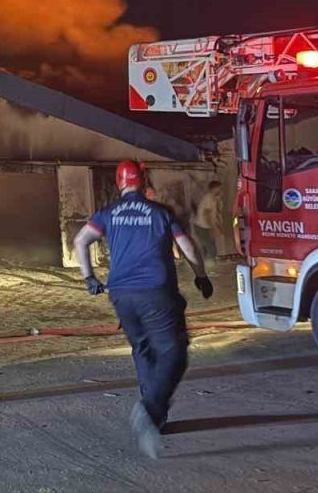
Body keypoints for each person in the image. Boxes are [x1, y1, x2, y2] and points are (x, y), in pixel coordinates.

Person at [73, 160, 213, 458]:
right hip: (156, 293)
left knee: (143, 349)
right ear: (143, 181)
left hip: (122, 295)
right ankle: (149, 411)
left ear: (119, 183)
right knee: (174, 353)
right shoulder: (160, 213)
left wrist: (89, 277)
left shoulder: (108, 213)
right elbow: (187, 246)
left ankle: (155, 415)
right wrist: (201, 275)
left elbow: (80, 241)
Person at [192, 180, 226, 269]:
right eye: (219, 188)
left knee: (208, 246)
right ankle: (210, 267)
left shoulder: (214, 198)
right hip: (203, 226)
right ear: (214, 188)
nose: (221, 190)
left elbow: (214, 215)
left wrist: (217, 226)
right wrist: (212, 227)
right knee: (210, 247)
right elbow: (206, 213)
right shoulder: (209, 198)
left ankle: (206, 266)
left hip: (204, 226)